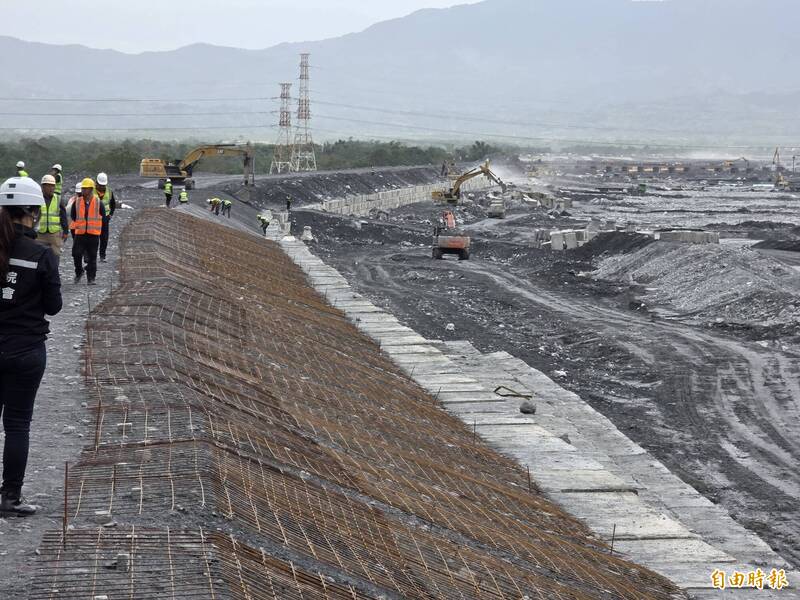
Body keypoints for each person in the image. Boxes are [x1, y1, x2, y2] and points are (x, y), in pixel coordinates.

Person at [0, 176, 62, 517]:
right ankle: (9, 499)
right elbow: (53, 306)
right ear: (32, 212)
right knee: (17, 425)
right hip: (26, 351)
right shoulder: (40, 254)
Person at [69, 178, 106, 285]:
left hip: (93, 234)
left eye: (85, 189)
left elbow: (103, 220)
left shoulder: (99, 203)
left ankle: (91, 278)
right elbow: (73, 215)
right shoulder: (77, 202)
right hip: (80, 234)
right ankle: (79, 271)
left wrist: (101, 234)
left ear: (91, 189)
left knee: (92, 257)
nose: (83, 191)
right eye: (83, 188)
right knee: (76, 254)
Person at [37, 175, 68, 259]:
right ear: (43, 186)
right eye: (48, 185)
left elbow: (63, 216)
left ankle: (54, 272)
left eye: (53, 185)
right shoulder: (37, 199)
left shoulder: (58, 199)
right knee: (39, 257)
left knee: (55, 256)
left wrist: (65, 231)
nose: (51, 188)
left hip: (54, 234)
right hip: (40, 234)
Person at [95, 173, 116, 262]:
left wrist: (110, 215)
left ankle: (102, 256)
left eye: (104, 185)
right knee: (93, 238)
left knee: (104, 238)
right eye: (100, 185)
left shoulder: (109, 191)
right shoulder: (91, 191)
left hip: (105, 219)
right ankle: (92, 255)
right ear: (96, 183)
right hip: (94, 219)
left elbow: (113, 204)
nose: (102, 187)